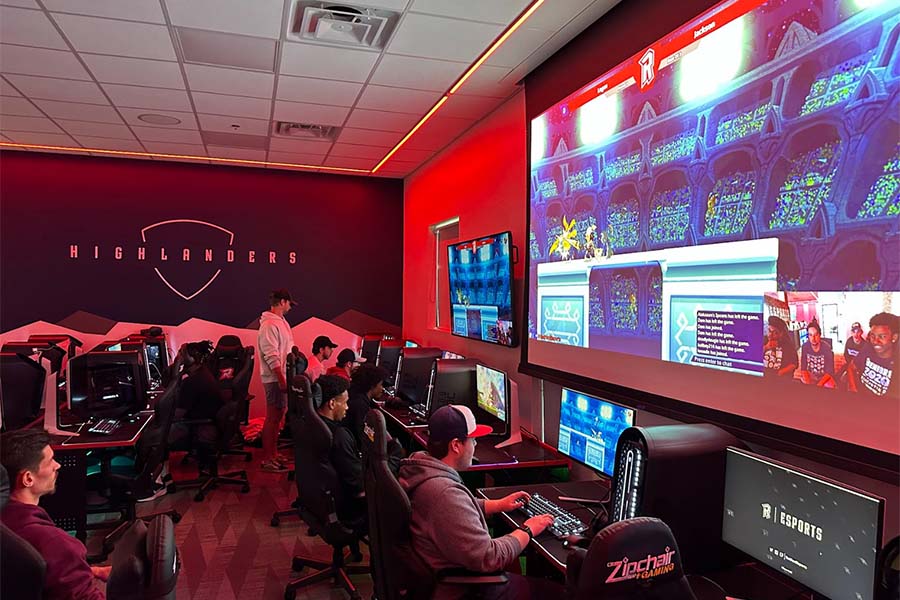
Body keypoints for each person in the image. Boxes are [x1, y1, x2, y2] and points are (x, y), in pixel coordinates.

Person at [400, 405, 561, 600]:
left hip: (445, 572)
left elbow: (454, 512)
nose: (475, 444)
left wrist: (496, 504)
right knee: (558, 592)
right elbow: (489, 557)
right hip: (463, 589)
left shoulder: (423, 470)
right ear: (456, 445)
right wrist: (528, 529)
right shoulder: (444, 493)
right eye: (473, 439)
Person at [0, 430, 110, 600]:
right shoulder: (56, 543)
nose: (57, 465)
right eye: (50, 460)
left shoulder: (7, 521)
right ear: (28, 479)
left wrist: (90, 571)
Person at [314, 375, 366, 524]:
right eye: (345, 402)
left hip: (320, 502)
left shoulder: (309, 425)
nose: (347, 407)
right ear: (332, 403)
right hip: (347, 509)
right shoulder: (339, 436)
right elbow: (358, 487)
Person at [258, 288, 296, 472]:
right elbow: (271, 355)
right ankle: (268, 459)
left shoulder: (281, 323)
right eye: (289, 303)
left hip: (281, 377)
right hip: (274, 379)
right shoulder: (269, 325)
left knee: (278, 417)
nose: (290, 307)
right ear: (282, 302)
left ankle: (273, 453)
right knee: (272, 418)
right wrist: (281, 379)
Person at [849, 312, 899, 398]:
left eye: (882, 336)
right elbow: (851, 367)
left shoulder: (896, 363)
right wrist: (854, 390)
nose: (875, 341)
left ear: (894, 337)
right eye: (873, 336)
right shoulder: (868, 348)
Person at [799, 320, 835, 387]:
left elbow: (830, 372)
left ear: (819, 335)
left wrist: (819, 384)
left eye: (816, 335)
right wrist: (808, 383)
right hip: (811, 375)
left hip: (824, 377)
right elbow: (803, 368)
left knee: (831, 386)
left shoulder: (827, 348)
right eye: (810, 335)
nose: (813, 338)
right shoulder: (805, 347)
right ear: (808, 336)